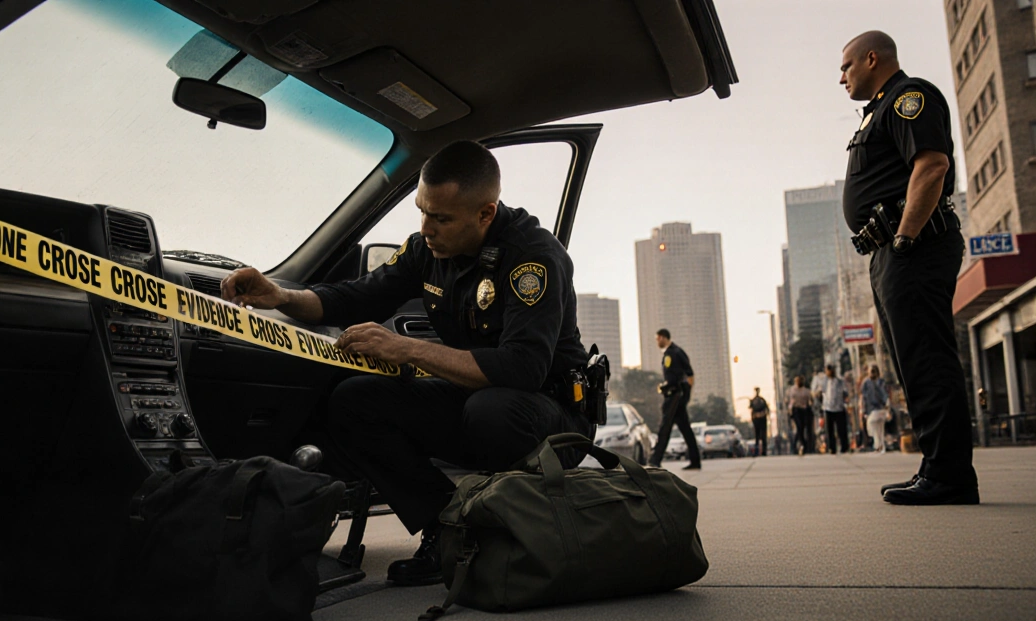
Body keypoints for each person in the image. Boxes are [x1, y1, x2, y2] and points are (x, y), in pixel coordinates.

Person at [220, 140, 595, 585]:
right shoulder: (425, 249)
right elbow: (355, 296)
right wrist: (280, 296)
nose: (426, 228)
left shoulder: (532, 258)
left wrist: (408, 350)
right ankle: (449, 529)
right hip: (478, 401)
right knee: (354, 401)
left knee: (492, 409)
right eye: (422, 211)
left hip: (552, 417)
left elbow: (522, 369)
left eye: (441, 218)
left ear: (485, 214)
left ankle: (515, 533)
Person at [839, 30, 978, 504]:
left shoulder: (907, 97)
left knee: (928, 358)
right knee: (912, 363)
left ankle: (950, 476)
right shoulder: (879, 109)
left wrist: (903, 239)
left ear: (872, 58)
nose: (841, 77)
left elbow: (932, 165)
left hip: (915, 245)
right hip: (894, 251)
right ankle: (937, 467)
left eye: (847, 66)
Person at [647, 329, 701, 470]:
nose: (657, 341)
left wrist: (686, 395)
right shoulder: (668, 353)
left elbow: (690, 375)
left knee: (665, 427)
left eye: (658, 338)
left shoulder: (676, 352)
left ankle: (655, 459)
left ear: (664, 337)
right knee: (685, 429)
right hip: (671, 394)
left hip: (676, 396)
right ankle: (695, 460)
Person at [817, 364, 850, 455]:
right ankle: (832, 447)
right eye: (828, 370)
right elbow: (820, 392)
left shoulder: (839, 381)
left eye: (831, 370)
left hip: (839, 408)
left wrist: (846, 399)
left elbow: (845, 392)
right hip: (828, 408)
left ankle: (844, 447)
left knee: (841, 429)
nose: (830, 372)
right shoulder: (824, 382)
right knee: (830, 430)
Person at [861, 364, 890, 453]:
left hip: (880, 408)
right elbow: (863, 396)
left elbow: (885, 394)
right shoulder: (866, 383)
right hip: (871, 408)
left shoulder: (881, 382)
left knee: (879, 427)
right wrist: (863, 409)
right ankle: (879, 445)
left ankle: (880, 445)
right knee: (874, 426)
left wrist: (887, 406)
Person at [786, 376, 814, 455]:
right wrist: (790, 410)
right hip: (796, 410)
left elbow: (810, 401)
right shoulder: (792, 390)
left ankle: (799, 445)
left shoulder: (806, 391)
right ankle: (800, 444)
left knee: (801, 428)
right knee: (799, 426)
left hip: (804, 410)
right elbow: (790, 401)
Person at [749, 387, 769, 456]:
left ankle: (763, 451)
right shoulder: (756, 400)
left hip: (761, 419)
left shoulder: (761, 400)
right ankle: (758, 451)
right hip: (758, 419)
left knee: (762, 436)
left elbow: (766, 409)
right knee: (758, 436)